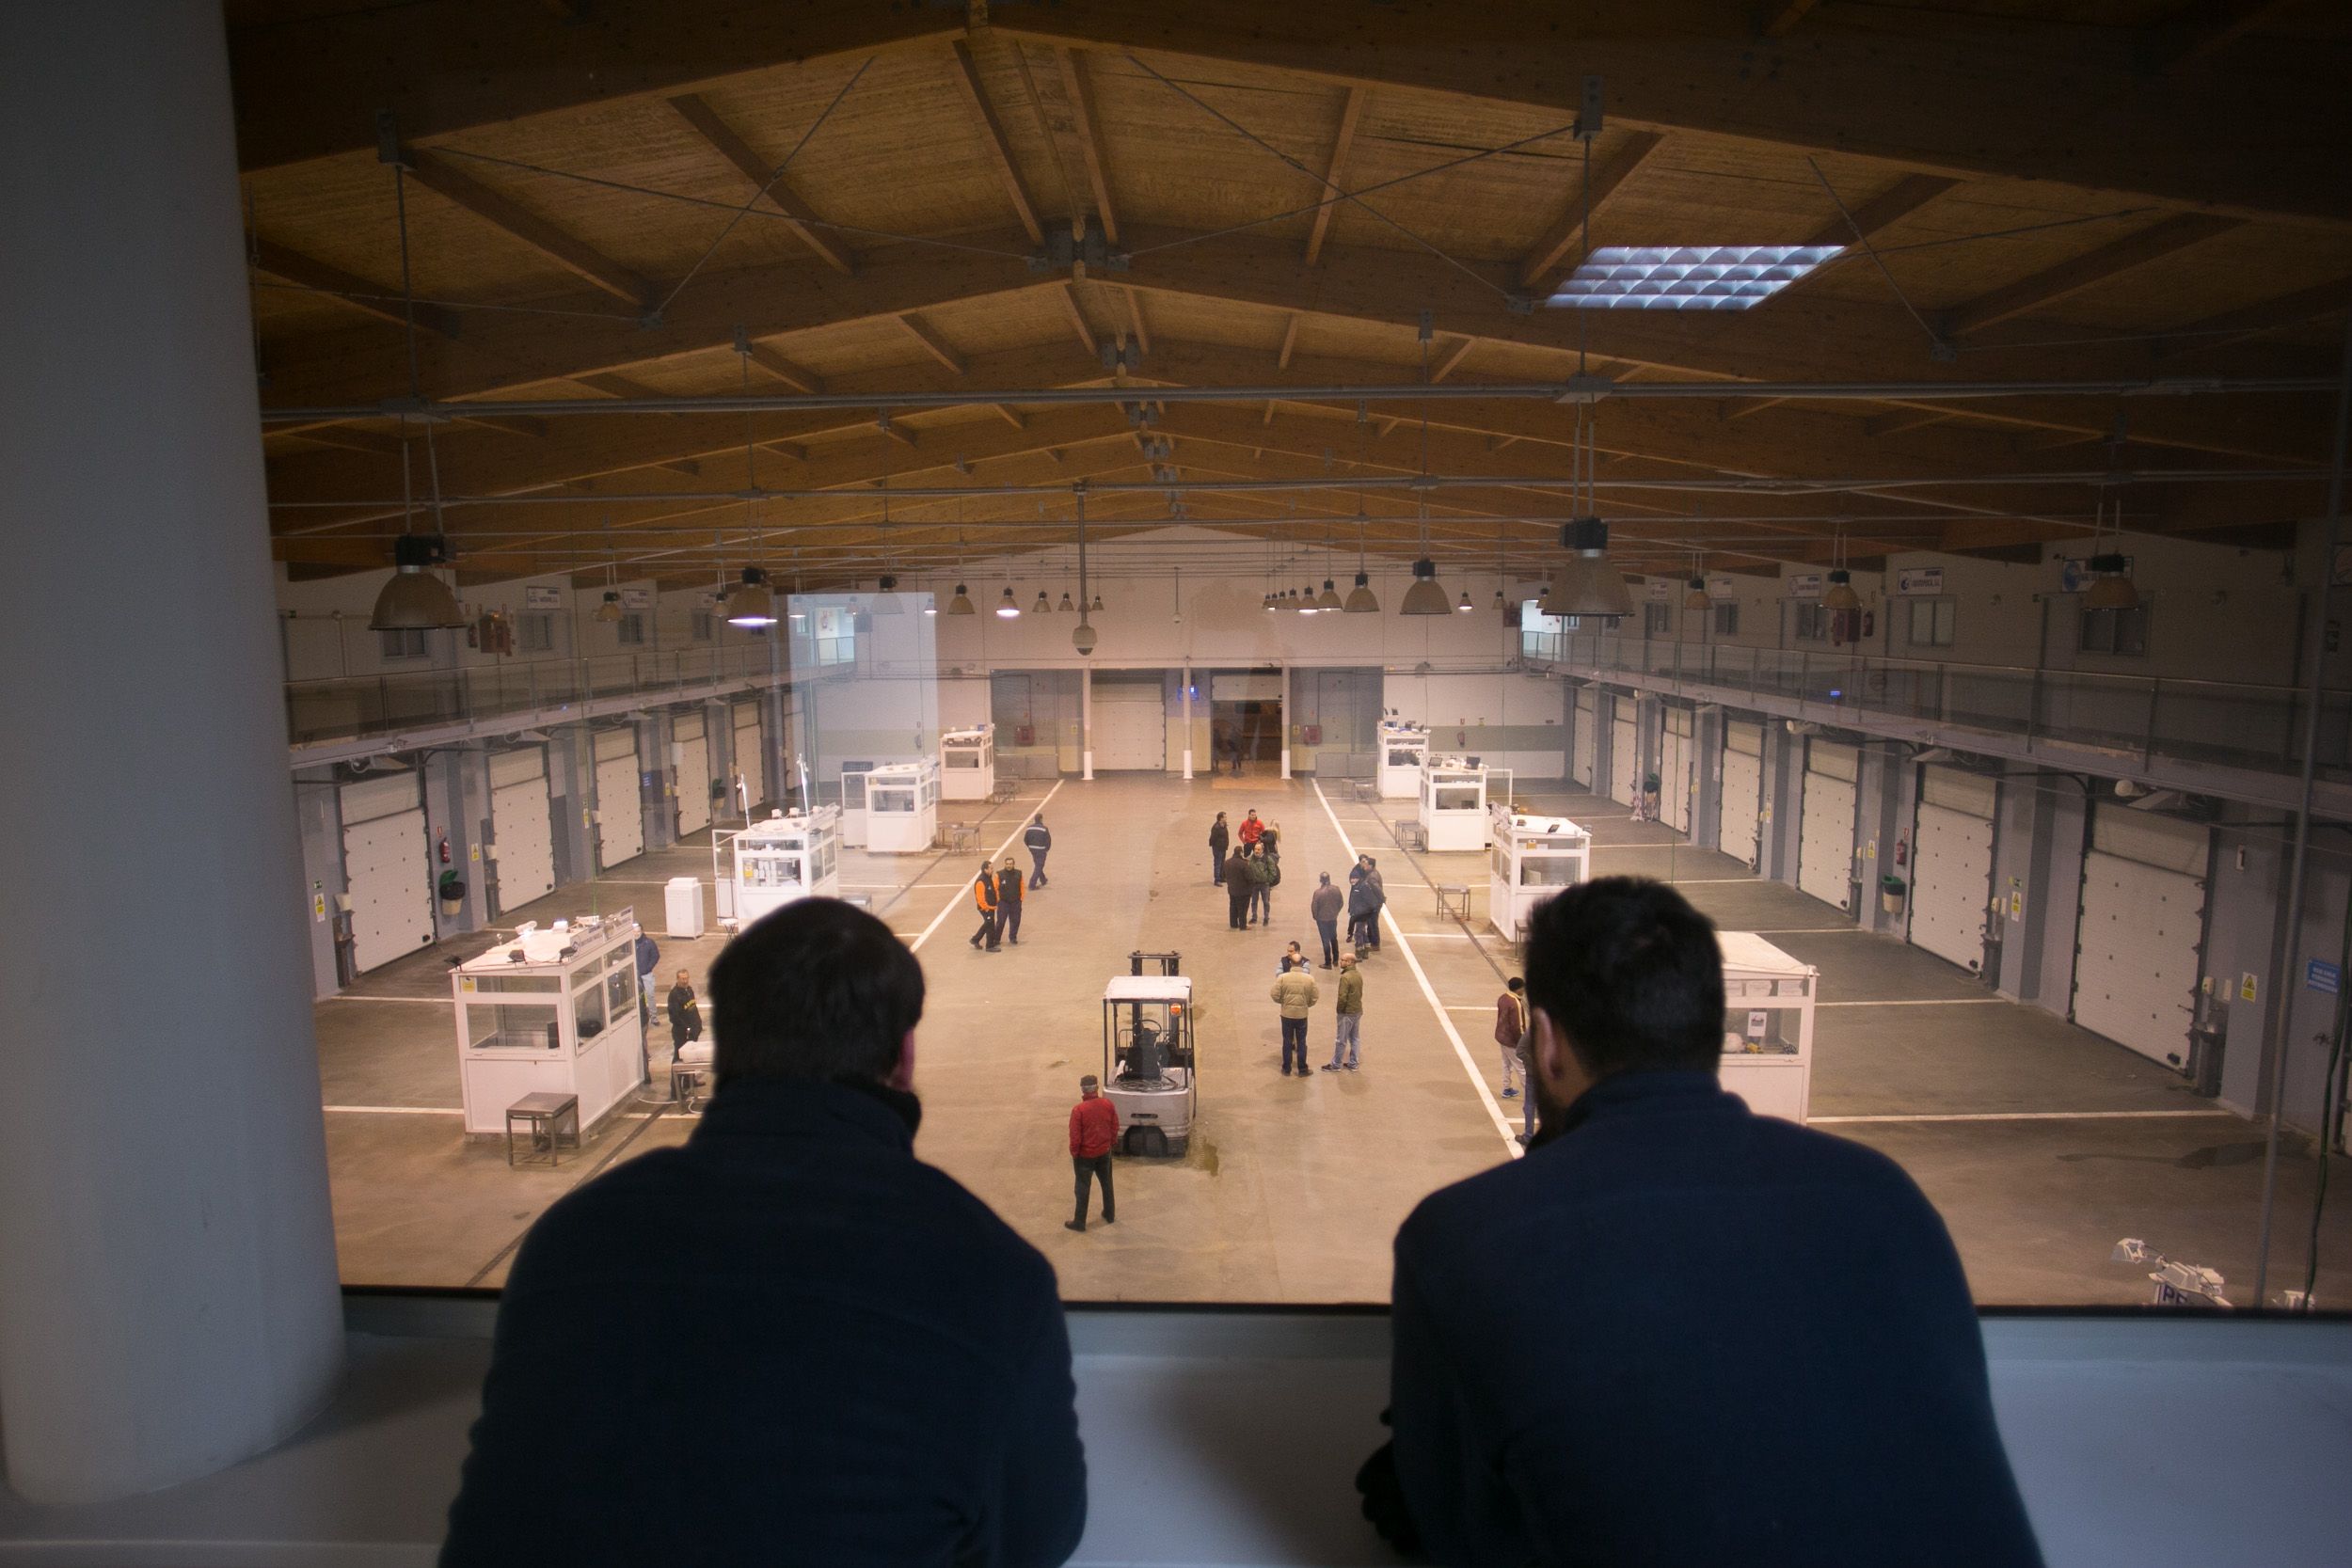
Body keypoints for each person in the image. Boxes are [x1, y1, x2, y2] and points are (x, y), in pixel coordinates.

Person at [1362, 878, 2041, 1568]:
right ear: (1709, 1030)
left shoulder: (1461, 1240)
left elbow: (1453, 1527)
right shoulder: (1883, 1199)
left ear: (1547, 1042)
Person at [441, 898, 1088, 1567]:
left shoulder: (569, 1244)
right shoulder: (996, 1274)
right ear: (904, 1055)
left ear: (732, 1048)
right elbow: (1042, 1533)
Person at [1066, 1074, 1118, 1233]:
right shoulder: (1107, 1104)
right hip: (1104, 1152)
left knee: (1082, 1187)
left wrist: (1075, 1153)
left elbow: (1075, 1137)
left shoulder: (1078, 1110)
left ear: (1082, 1089)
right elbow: (1115, 1126)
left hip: (1085, 1156)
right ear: (1096, 1088)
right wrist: (1110, 1143)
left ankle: (1080, 1222)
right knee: (1107, 1183)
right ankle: (1109, 1214)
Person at [1270, 955, 1319, 1077]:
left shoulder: (1282, 978)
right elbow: (1314, 997)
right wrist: (1306, 1004)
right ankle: (1302, 1069)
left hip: (1286, 1014)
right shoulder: (1309, 979)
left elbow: (1274, 994)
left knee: (1287, 1041)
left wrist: (1283, 1002)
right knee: (1301, 1041)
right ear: (1302, 963)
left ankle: (1286, 1068)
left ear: (1290, 963)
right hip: (1302, 1015)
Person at [1321, 951, 1362, 1071]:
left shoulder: (1345, 977)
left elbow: (1342, 997)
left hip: (1346, 1013)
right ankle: (1353, 1063)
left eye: (1343, 960)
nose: (1341, 962)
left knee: (1341, 1039)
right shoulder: (1358, 975)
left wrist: (1339, 1011)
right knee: (1355, 1038)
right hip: (1357, 1010)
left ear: (1350, 962)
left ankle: (1336, 1064)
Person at [1495, 976, 1527, 1100]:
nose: (1524, 990)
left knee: (1506, 1064)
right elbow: (1518, 1027)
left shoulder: (1503, 998)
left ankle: (1506, 1088)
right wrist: (1522, 1043)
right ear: (1518, 989)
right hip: (1511, 1041)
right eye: (1523, 988)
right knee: (1522, 1068)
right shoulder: (1515, 1004)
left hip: (1501, 1037)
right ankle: (1530, 1098)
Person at [1346, 862, 1383, 955]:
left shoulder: (1362, 887)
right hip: (1360, 912)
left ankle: (1359, 953)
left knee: (1358, 933)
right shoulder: (1357, 886)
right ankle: (1366, 949)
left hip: (1362, 913)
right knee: (1362, 931)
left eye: (1354, 878)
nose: (1352, 880)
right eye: (1351, 879)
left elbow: (1369, 900)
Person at [1310, 873, 1343, 968]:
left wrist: (1316, 917)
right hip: (1333, 918)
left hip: (1322, 920)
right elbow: (1341, 903)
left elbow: (1314, 907)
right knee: (1334, 938)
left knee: (1325, 940)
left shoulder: (1318, 892)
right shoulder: (1336, 889)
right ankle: (1336, 959)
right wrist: (1335, 912)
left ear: (1321, 880)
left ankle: (1328, 962)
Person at [665, 967, 700, 1057]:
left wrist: (698, 1025)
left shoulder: (689, 990)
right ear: (677, 979)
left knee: (690, 1057)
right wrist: (687, 1029)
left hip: (693, 1031)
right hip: (681, 1033)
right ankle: (676, 1071)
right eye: (683, 979)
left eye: (687, 978)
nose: (685, 981)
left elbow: (693, 1008)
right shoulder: (674, 995)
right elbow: (674, 1017)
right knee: (679, 1056)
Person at [969, 859, 1000, 952]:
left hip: (990, 907)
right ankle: (989, 946)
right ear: (985, 869)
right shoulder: (981, 881)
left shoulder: (988, 878)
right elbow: (980, 899)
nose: (992, 870)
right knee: (990, 925)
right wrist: (987, 908)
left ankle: (975, 939)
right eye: (990, 868)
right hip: (985, 908)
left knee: (988, 923)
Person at [995, 857, 1025, 947]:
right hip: (1003, 902)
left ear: (1013, 864)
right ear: (1005, 864)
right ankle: (996, 939)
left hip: (1016, 902)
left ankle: (1013, 937)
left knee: (1015, 921)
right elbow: (995, 888)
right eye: (1007, 864)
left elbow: (1022, 886)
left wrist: (1021, 899)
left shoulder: (1019, 874)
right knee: (1001, 921)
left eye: (1010, 864)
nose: (1008, 865)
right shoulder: (999, 874)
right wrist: (998, 900)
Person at [1248, 841, 1279, 927]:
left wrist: (1268, 880)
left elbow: (1273, 871)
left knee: (1266, 902)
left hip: (1264, 884)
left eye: (1258, 849)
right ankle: (1254, 917)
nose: (1256, 851)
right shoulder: (1250, 859)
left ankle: (1266, 917)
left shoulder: (1268, 859)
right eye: (1255, 849)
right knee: (1254, 901)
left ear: (1262, 850)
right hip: (1254, 884)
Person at [1225, 846, 1255, 930]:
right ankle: (1243, 925)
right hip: (1243, 891)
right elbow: (1250, 877)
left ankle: (1233, 924)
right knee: (1242, 909)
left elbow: (1223, 875)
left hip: (1232, 890)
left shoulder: (1227, 862)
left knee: (1233, 907)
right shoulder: (1244, 864)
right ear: (1241, 853)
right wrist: (1251, 887)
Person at [633, 929, 660, 1027]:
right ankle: (640, 1018)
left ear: (642, 931)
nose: (636, 933)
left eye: (638, 931)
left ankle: (654, 1018)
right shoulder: (629, 944)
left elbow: (656, 956)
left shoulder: (649, 943)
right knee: (637, 997)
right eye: (634, 931)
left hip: (647, 974)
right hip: (635, 975)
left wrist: (648, 967)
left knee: (650, 995)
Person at [1025, 815, 1052, 889]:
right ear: (1041, 819)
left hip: (1032, 849)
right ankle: (1032, 884)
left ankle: (1043, 879)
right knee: (1039, 866)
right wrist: (1046, 849)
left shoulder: (1029, 828)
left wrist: (1030, 847)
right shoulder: (1044, 829)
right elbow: (1048, 840)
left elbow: (1025, 839)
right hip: (1041, 850)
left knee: (1038, 864)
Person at [1208, 811, 1230, 885]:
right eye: (1225, 817)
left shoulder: (1224, 825)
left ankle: (1221, 877)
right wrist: (1215, 846)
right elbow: (1213, 838)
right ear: (1221, 818)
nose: (1226, 818)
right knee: (1217, 863)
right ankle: (1217, 880)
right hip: (1218, 848)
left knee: (1222, 863)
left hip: (1223, 848)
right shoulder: (1216, 827)